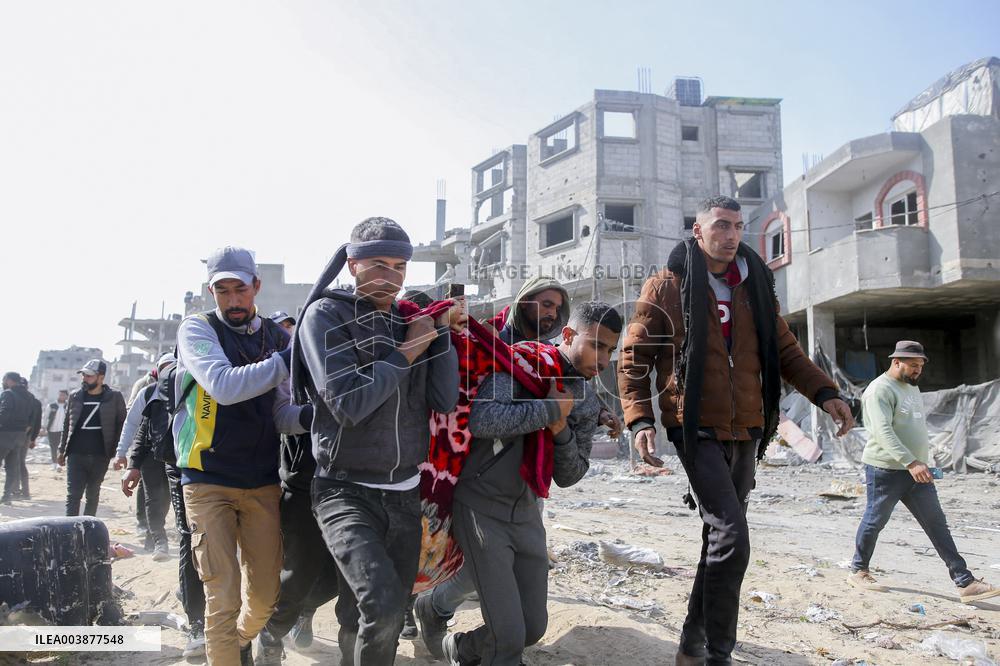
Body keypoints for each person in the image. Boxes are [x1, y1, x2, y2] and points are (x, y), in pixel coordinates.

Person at [617, 195, 855, 666]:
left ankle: (691, 645)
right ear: (698, 231)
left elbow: (787, 352)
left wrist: (826, 394)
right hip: (694, 425)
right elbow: (634, 358)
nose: (730, 235)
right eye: (721, 225)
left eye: (738, 226)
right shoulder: (668, 285)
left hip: (748, 427)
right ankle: (718, 655)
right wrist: (640, 419)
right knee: (732, 536)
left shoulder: (757, 285)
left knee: (717, 541)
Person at [415, 278, 622, 656]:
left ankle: (458, 648)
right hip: (480, 506)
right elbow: (483, 420)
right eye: (595, 345)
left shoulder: (586, 397)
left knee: (532, 628)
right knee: (509, 637)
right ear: (570, 333)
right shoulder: (519, 360)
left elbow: (571, 473)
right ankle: (436, 612)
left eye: (610, 350)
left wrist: (560, 430)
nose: (603, 359)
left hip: (526, 513)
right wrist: (548, 411)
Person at [294, 217, 463, 665]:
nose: (390, 277)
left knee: (359, 614)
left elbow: (444, 400)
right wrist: (408, 349)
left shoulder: (407, 321)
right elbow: (350, 403)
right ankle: (278, 629)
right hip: (345, 491)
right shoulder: (326, 316)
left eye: (399, 267)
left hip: (406, 496)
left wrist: (440, 333)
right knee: (384, 606)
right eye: (377, 265)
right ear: (352, 266)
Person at [173, 245, 309, 665]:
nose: (233, 300)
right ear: (211, 291)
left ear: (256, 287)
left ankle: (233, 643)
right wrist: (290, 358)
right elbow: (225, 387)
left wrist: (322, 416)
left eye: (240, 289)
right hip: (207, 479)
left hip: (262, 481)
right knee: (222, 594)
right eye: (223, 291)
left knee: (266, 597)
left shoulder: (278, 337)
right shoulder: (197, 330)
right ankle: (224, 650)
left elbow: (282, 415)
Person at [847, 340, 999, 603]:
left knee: (937, 524)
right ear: (896, 362)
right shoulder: (879, 391)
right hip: (886, 469)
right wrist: (910, 461)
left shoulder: (911, 388)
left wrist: (922, 462)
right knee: (875, 520)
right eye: (913, 365)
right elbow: (882, 432)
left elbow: (913, 428)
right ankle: (858, 570)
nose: (918, 370)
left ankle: (964, 582)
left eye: (920, 366)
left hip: (917, 471)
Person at [121, 353, 206, 657]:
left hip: (222, 469)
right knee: (187, 533)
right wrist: (132, 462)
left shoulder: (217, 375)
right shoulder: (156, 389)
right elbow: (142, 425)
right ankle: (197, 622)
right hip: (175, 464)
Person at [119, 353, 177, 561]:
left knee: (172, 500)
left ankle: (160, 539)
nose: (170, 372)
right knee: (154, 499)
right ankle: (159, 541)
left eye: (174, 367)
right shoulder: (150, 395)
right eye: (166, 368)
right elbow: (138, 431)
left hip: (180, 459)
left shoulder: (190, 394)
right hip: (152, 458)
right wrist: (129, 461)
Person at [56, 360, 127, 516]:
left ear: (101, 377)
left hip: (100, 455)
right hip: (76, 453)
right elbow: (67, 424)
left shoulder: (114, 397)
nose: (84, 379)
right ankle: (70, 531)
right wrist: (61, 450)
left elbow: (122, 425)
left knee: (92, 495)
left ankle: (88, 531)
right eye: (83, 375)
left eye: (89, 376)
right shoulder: (75, 396)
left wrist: (118, 453)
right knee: (73, 495)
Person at [0, 371, 33, 504]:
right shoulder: (29, 396)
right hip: (20, 436)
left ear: (8, 380)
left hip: (5, 434)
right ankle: (7, 496)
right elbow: (32, 417)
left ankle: (7, 496)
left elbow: (4, 412)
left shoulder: (7, 394)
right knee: (12, 467)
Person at [14, 377, 42, 500]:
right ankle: (23, 491)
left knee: (16, 462)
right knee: (18, 462)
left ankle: (20, 491)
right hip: (26, 436)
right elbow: (37, 423)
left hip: (20, 436)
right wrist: (33, 438)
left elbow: (35, 422)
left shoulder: (15, 398)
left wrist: (32, 438)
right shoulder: (34, 401)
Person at [45, 389, 69, 472]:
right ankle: (54, 464)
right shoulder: (52, 405)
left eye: (63, 395)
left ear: (66, 396)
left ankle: (59, 464)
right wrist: (44, 427)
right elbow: (46, 417)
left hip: (62, 431)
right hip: (51, 429)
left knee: (61, 448)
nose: (61, 396)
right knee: (53, 447)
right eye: (60, 395)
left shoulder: (68, 406)